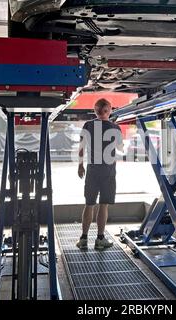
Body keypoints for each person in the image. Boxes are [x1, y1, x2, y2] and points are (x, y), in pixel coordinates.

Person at [76, 98, 124, 250]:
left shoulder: (88, 125)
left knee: (89, 204)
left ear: (95, 111)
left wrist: (80, 165)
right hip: (108, 171)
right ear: (109, 110)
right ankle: (100, 239)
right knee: (103, 205)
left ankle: (83, 239)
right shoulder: (115, 128)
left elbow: (81, 148)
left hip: (92, 170)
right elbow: (121, 148)